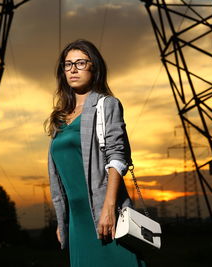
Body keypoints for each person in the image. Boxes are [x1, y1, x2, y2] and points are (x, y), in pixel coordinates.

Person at [45, 39, 145, 267]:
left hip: (102, 212)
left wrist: (109, 208)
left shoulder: (106, 104)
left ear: (94, 67)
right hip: (76, 220)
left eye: (80, 63)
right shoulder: (59, 116)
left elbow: (118, 157)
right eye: (67, 64)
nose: (73, 69)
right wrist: (62, 222)